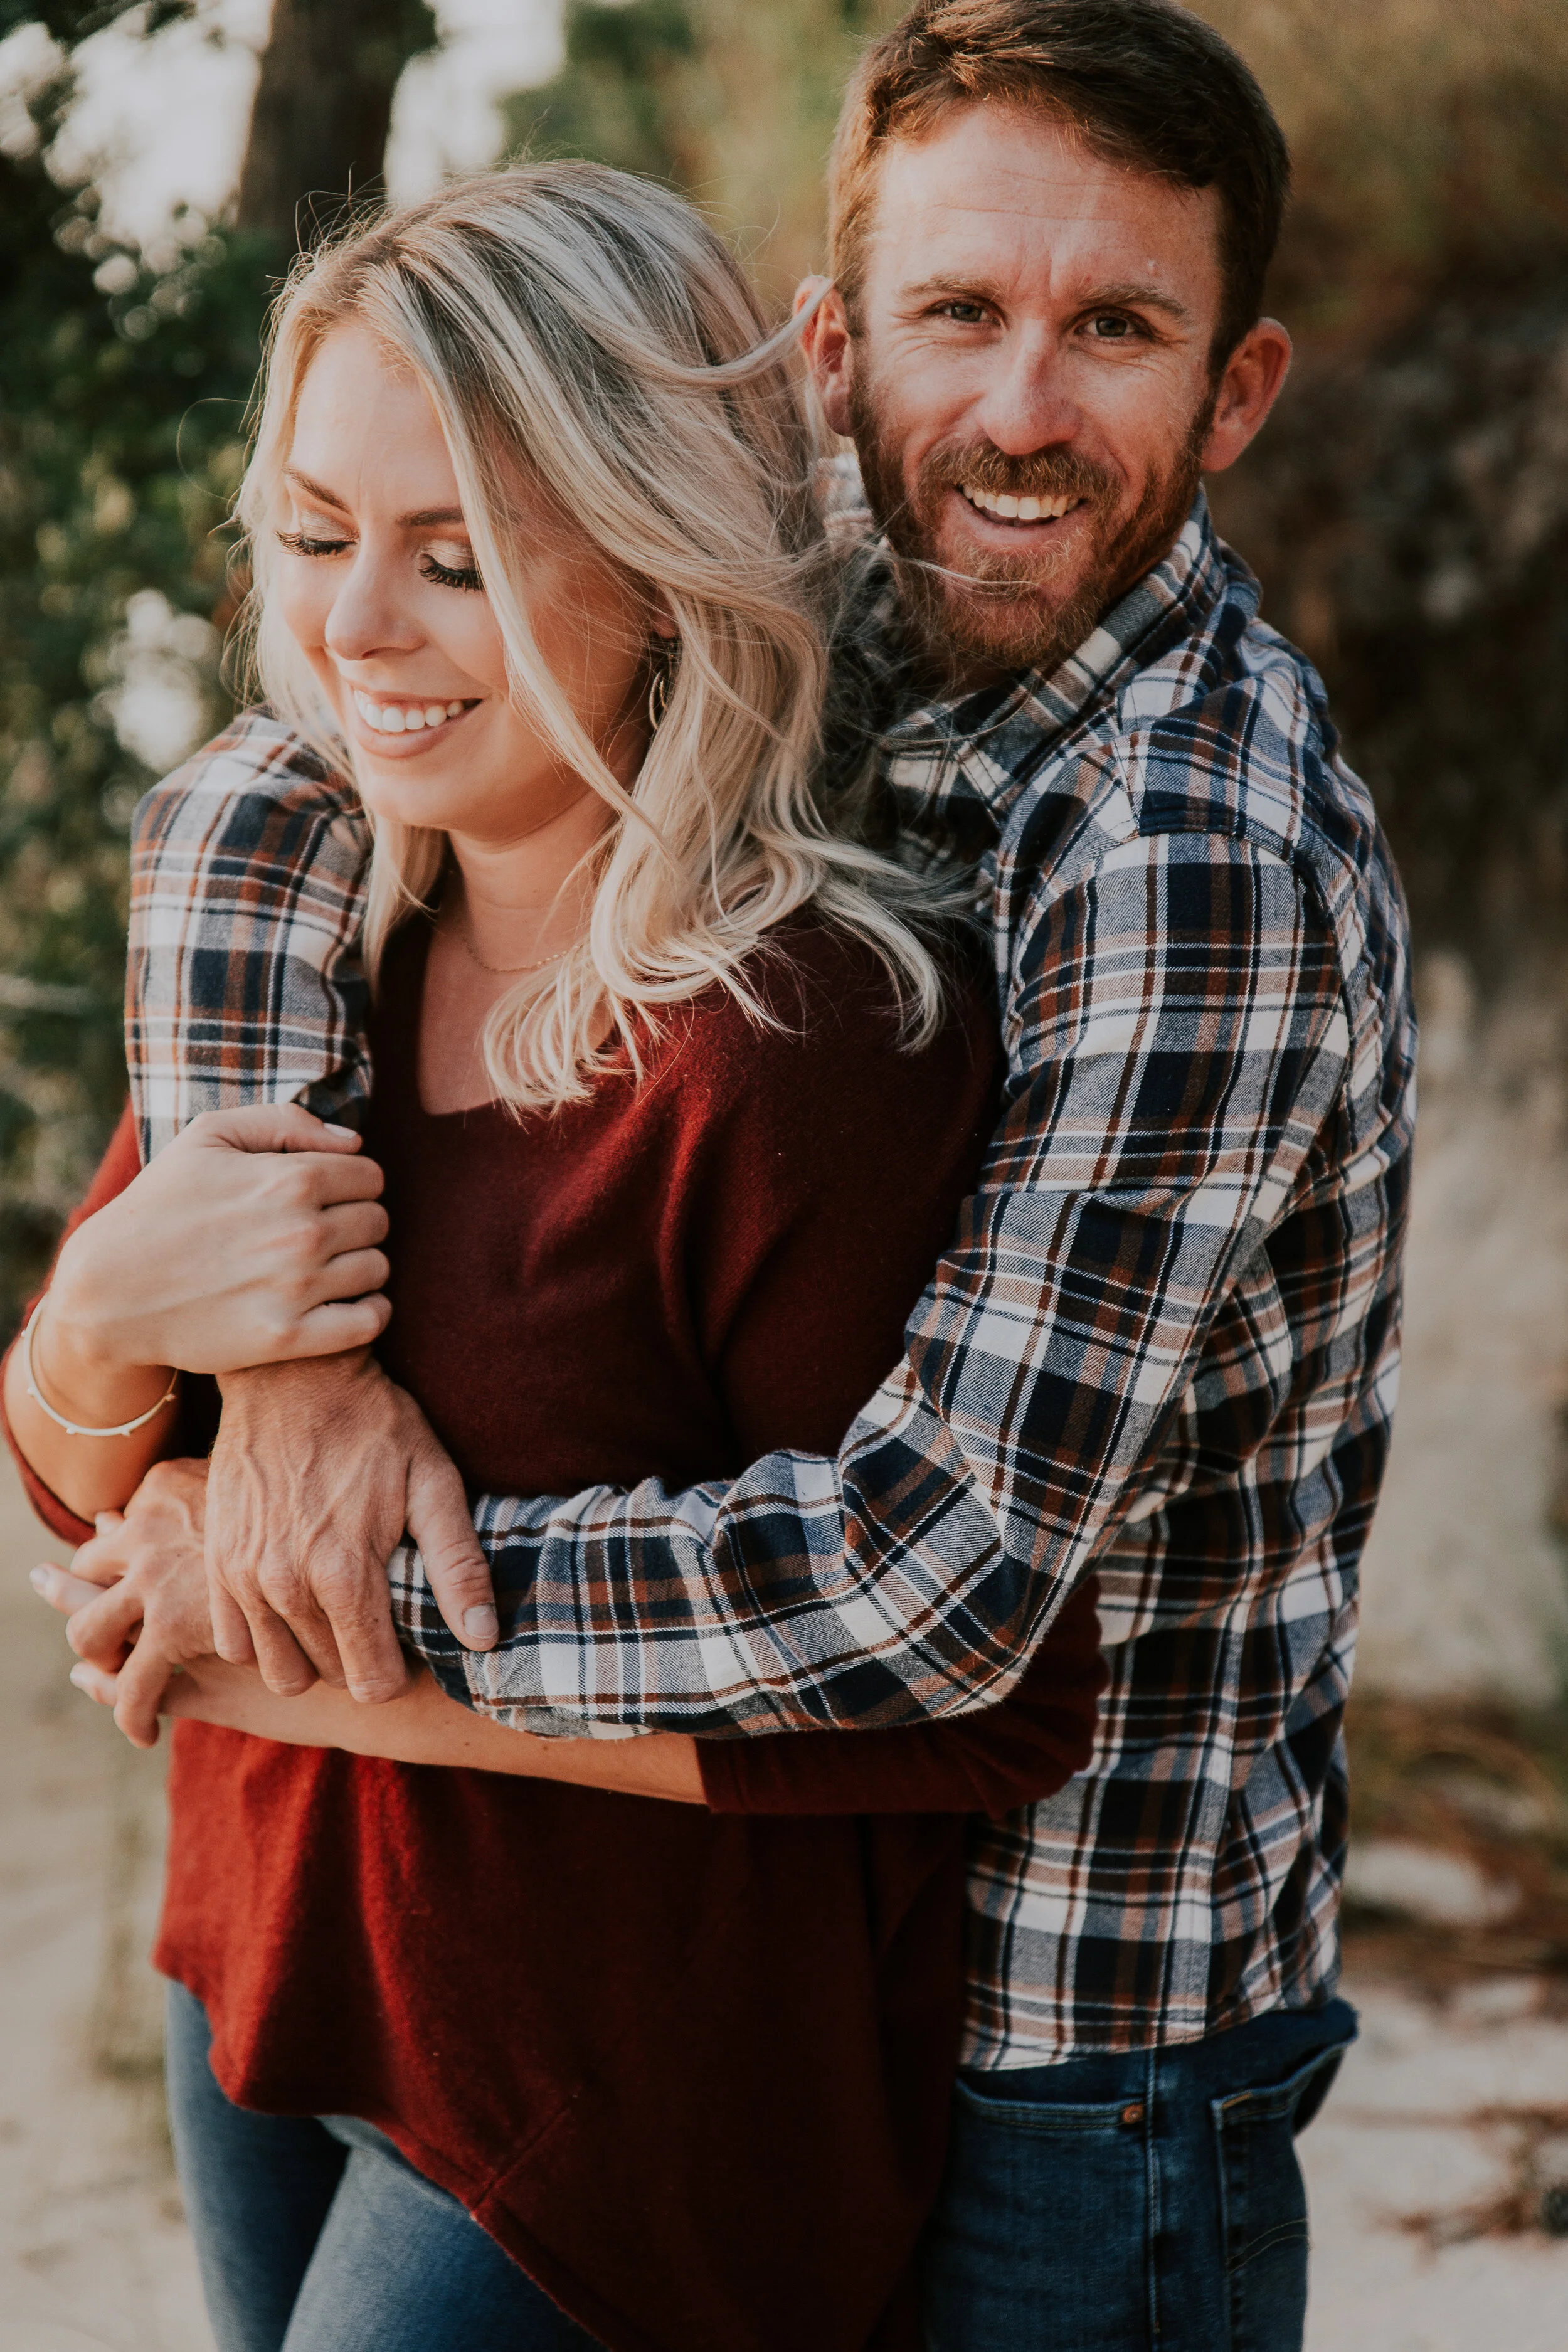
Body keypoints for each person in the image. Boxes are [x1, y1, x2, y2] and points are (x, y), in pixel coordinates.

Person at [41, 3, 1417, 2346]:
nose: (1017, 407)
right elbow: (278, 766)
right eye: (955, 310)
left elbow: (937, 1592)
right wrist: (276, 1369)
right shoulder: (791, 620)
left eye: (1115, 329)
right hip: (578, 1930)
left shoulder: (1190, 857)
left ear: (1235, 388)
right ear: (825, 354)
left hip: (1078, 2020)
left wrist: (302, 1611)